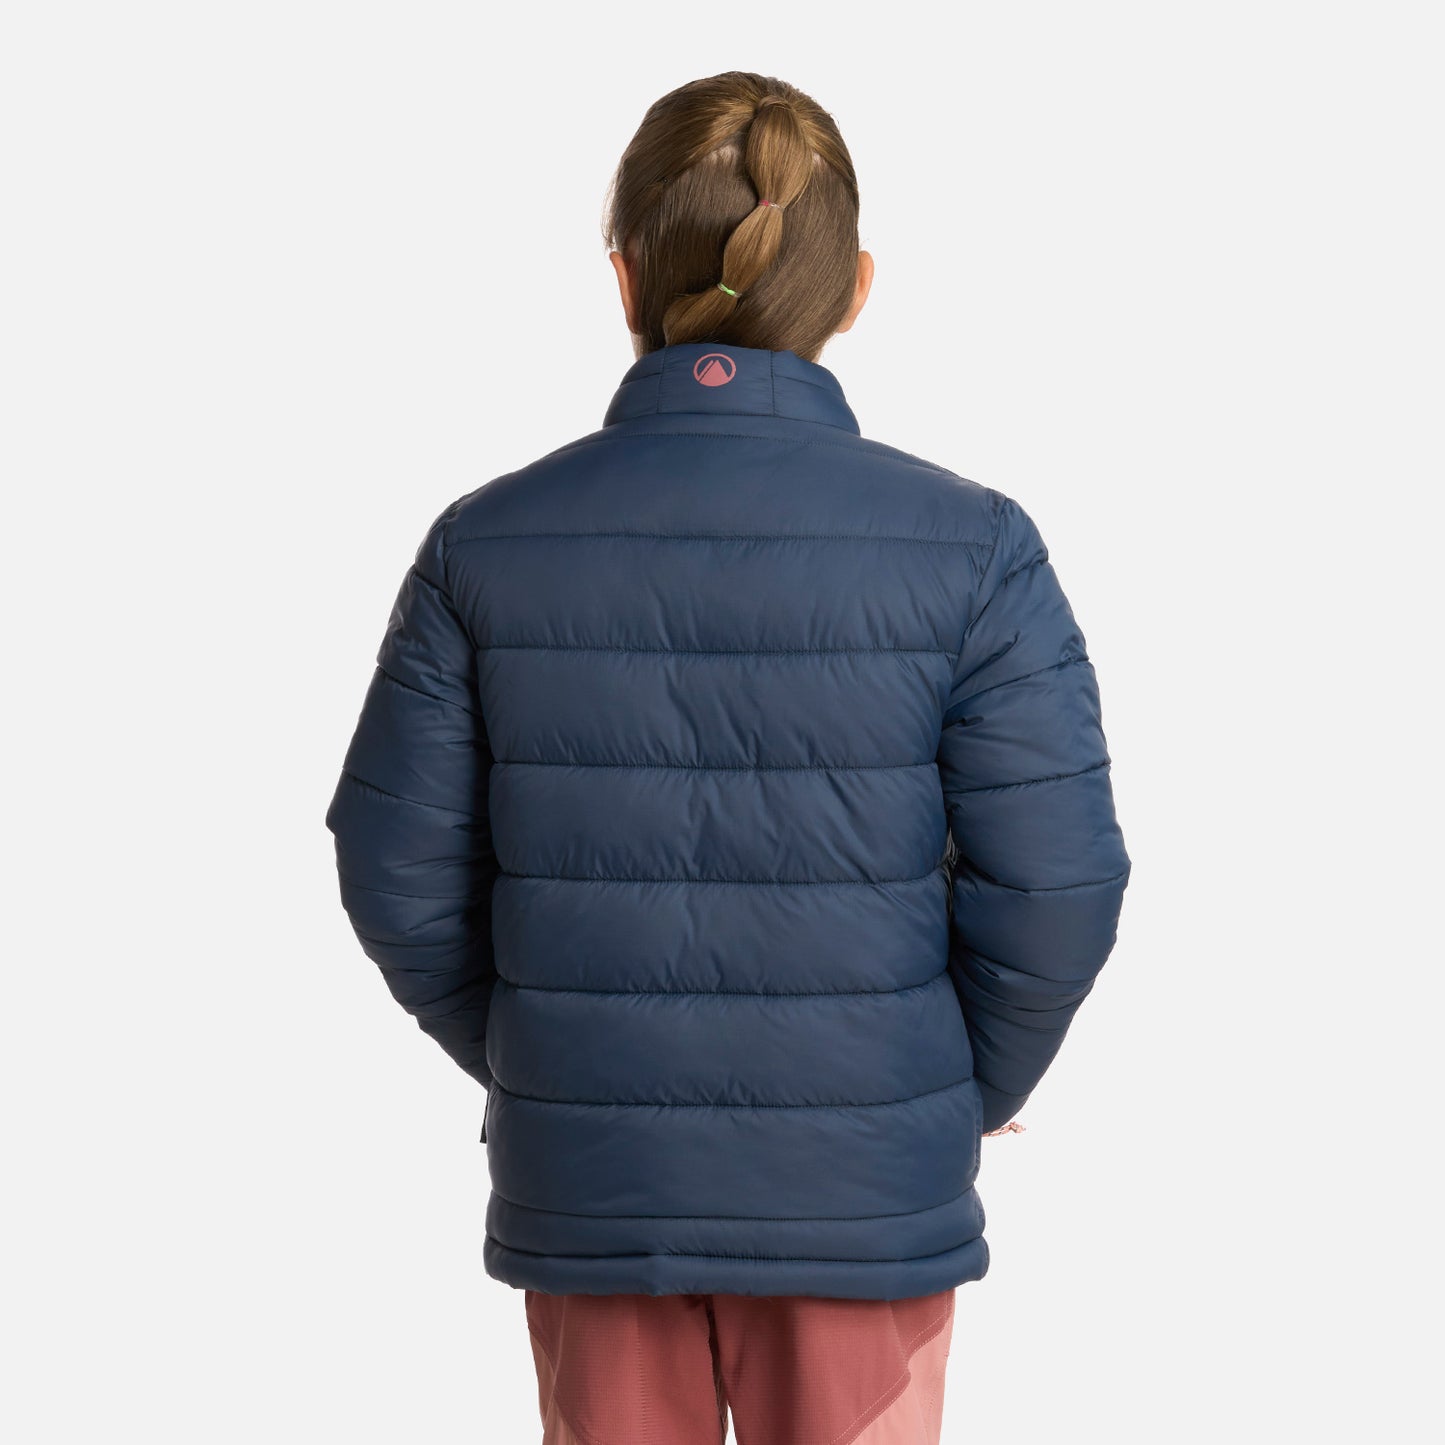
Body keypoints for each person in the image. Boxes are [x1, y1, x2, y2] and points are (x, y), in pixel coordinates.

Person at [326, 70, 1131, 1445]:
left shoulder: (483, 544)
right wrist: (940, 1089)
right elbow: (1059, 885)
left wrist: (560, 1055)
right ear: (855, 287)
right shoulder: (977, 549)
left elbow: (394, 873)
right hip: (863, 1189)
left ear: (623, 277)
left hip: (596, 1184)